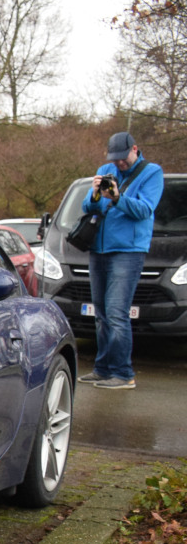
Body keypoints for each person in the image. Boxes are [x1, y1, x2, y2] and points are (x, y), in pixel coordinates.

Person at [79, 132, 164, 390]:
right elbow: (87, 207)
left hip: (128, 251)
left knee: (117, 312)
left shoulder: (152, 173)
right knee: (101, 313)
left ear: (134, 149)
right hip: (99, 249)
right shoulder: (106, 169)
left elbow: (144, 209)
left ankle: (123, 373)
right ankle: (102, 369)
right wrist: (95, 194)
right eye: (114, 159)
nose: (118, 164)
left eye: (122, 159)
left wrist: (117, 198)